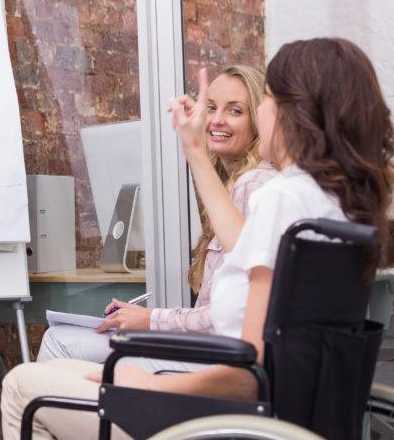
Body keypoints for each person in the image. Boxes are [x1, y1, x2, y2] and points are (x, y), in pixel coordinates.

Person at [0, 38, 394, 440]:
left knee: (22, 386)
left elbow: (249, 372)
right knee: (59, 371)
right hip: (288, 419)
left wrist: (153, 384)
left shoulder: (280, 197)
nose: (261, 110)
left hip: (220, 427)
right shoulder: (331, 204)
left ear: (294, 111)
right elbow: (246, 248)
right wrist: (194, 150)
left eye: (264, 98)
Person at [37, 65, 275, 363]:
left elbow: (229, 316)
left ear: (258, 119)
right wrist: (144, 318)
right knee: (65, 339)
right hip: (209, 351)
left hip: (215, 360)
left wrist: (151, 320)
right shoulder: (234, 186)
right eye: (211, 107)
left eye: (235, 111)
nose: (216, 120)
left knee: (60, 341)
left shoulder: (252, 185)